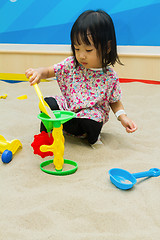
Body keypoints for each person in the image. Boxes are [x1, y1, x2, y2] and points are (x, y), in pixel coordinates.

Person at [25, 10, 137, 148]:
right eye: (77, 49)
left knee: (93, 120)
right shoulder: (72, 64)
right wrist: (39, 72)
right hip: (68, 110)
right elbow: (50, 71)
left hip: (88, 118)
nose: (81, 56)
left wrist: (123, 117)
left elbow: (115, 102)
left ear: (107, 47)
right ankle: (47, 134)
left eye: (88, 50)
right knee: (47, 103)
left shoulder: (109, 76)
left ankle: (93, 139)